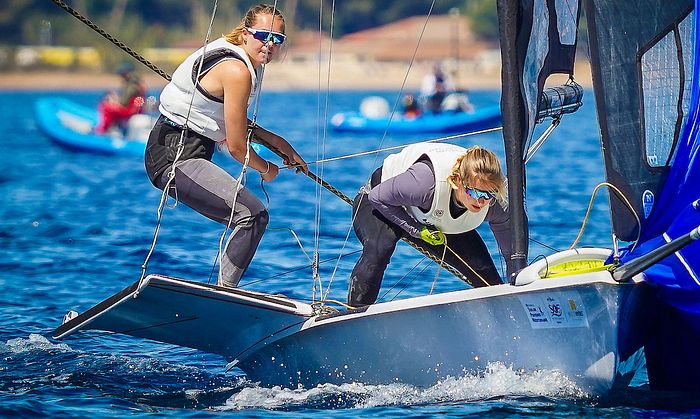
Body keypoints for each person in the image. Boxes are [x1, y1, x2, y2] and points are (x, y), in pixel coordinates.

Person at [144, 4, 307, 288]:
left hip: (189, 150)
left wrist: (279, 143)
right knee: (252, 215)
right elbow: (236, 147)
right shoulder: (236, 70)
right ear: (245, 34)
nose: (269, 44)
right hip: (174, 156)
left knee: (252, 215)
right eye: (262, 36)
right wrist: (267, 169)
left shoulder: (240, 60)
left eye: (277, 39)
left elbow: (235, 122)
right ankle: (225, 292)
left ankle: (223, 292)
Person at [347, 142, 512, 307]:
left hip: (433, 218)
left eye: (488, 194)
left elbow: (511, 249)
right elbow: (377, 197)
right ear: (457, 181)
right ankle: (353, 314)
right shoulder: (425, 183)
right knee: (380, 249)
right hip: (380, 204)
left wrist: (517, 274)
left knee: (484, 271)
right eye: (474, 192)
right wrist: (416, 230)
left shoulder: (494, 203)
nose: (481, 200)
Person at [95, 62, 146, 134]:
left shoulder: (132, 86)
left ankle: (103, 131)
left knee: (105, 107)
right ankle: (111, 128)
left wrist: (114, 101)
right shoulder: (137, 83)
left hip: (131, 111)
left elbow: (124, 102)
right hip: (135, 109)